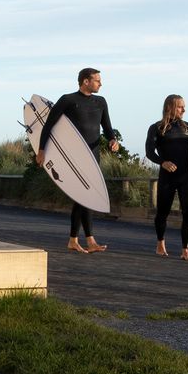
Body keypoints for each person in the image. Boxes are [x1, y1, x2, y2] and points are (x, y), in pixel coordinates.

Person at [40, 67, 121, 253]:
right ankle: (87, 240)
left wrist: (112, 140)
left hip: (93, 157)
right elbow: (49, 126)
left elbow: (107, 127)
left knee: (83, 197)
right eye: (97, 80)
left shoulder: (100, 102)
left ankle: (75, 240)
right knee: (83, 196)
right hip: (73, 158)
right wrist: (42, 150)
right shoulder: (68, 100)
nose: (101, 83)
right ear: (86, 81)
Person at [145, 94, 188, 262]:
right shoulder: (157, 128)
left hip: (187, 176)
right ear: (169, 107)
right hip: (168, 177)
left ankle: (186, 250)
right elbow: (149, 152)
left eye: (184, 106)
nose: (184, 109)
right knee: (162, 212)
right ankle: (160, 243)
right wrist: (163, 162)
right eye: (180, 106)